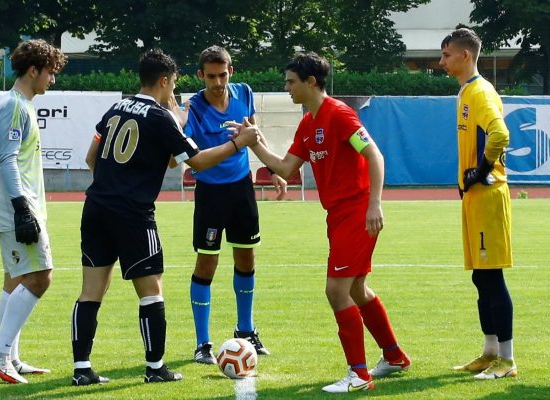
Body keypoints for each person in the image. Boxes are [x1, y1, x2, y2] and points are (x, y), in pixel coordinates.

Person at [69, 49, 260, 386]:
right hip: (133, 213)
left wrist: (115, 183)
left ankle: (82, 369)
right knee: (152, 291)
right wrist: (238, 143)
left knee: (91, 291)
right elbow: (196, 162)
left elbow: (91, 157)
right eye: (173, 83)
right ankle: (156, 367)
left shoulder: (116, 108)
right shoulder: (160, 117)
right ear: (164, 80)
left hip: (95, 206)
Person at [234, 52, 411, 393]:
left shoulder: (339, 115)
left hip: (357, 212)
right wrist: (253, 141)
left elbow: (374, 154)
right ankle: (394, 356)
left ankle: (358, 375)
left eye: (290, 81)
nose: (287, 88)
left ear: (310, 82)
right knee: (356, 289)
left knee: (336, 290)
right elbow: (285, 168)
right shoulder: (308, 123)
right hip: (338, 216)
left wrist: (375, 204)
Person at [182, 45, 287, 364]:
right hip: (211, 194)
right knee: (206, 264)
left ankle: (246, 331)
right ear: (200, 75)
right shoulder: (194, 108)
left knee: (246, 259)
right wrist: (234, 144)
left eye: (222, 74)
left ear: (232, 72)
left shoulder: (244, 92)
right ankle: (203, 343)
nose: (217, 82)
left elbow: (253, 133)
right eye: (211, 76)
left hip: (242, 189)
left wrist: (272, 169)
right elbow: (194, 161)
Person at [0, 39, 67, 384]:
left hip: (20, 206)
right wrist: (22, 209)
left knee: (15, 279)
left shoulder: (22, 105)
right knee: (41, 276)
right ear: (33, 70)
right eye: (50, 72)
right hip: (17, 207)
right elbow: (7, 159)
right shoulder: (14, 106)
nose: (53, 79)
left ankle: (11, 357)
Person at [440, 28, 516, 380]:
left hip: (487, 196)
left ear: (465, 55)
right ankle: (489, 352)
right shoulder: (467, 91)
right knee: (481, 280)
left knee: (492, 277)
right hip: (474, 199)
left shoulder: (481, 92)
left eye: (446, 55)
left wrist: (480, 171)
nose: (442, 63)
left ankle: (507, 360)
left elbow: (500, 134)